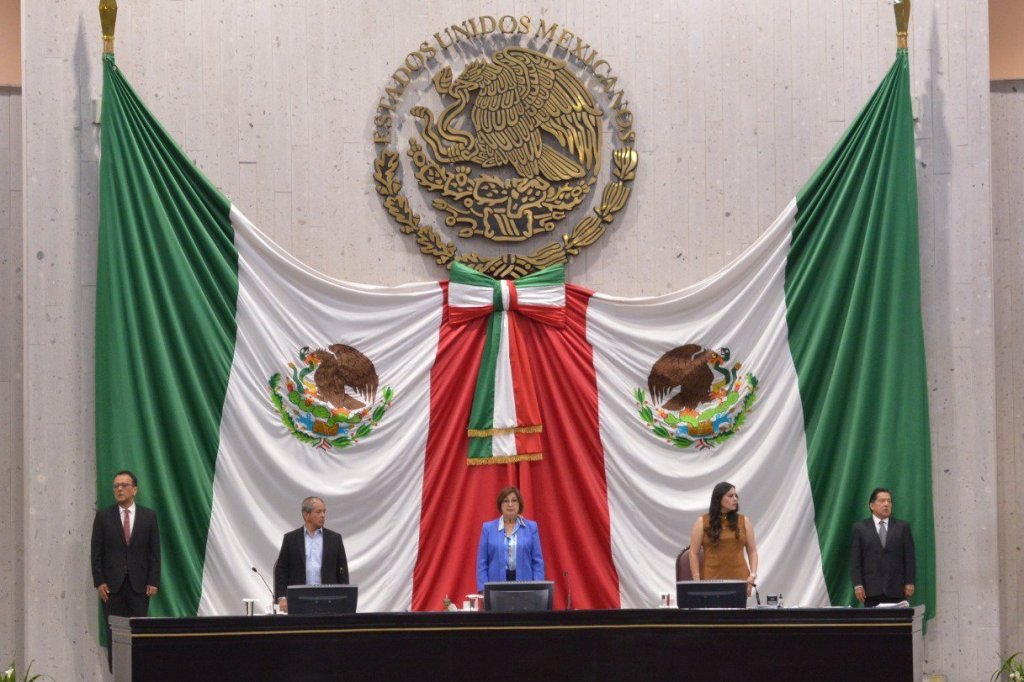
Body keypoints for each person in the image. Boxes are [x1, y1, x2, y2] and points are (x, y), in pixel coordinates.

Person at [90, 470, 161, 671]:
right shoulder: (103, 516)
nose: (119, 489)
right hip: (112, 588)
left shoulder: (148, 516)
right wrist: (99, 582)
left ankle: (140, 672)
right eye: (116, 486)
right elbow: (96, 552)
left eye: (124, 485)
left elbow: (154, 552)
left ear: (135, 489)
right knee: (115, 634)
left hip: (140, 587)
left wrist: (153, 580)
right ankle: (118, 674)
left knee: (139, 634)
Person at [274, 496, 349, 613]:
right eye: (318, 512)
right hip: (299, 600)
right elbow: (281, 570)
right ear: (306, 515)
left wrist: (344, 598)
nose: (323, 515)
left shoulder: (335, 539)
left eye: (324, 511)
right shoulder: (291, 539)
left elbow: (342, 573)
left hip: (328, 601)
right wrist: (282, 597)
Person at [688, 481, 759, 596]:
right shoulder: (702, 522)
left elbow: (752, 551)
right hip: (710, 580)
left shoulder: (744, 521)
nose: (735, 499)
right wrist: (697, 580)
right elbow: (693, 553)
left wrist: (753, 575)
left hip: (739, 580)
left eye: (736, 496)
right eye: (730, 496)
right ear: (718, 498)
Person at [850, 487, 916, 606]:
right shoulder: (860, 528)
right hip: (871, 590)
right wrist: (858, 585)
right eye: (882, 501)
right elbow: (856, 560)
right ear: (872, 505)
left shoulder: (902, 527)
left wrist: (910, 582)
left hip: (897, 589)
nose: (886, 504)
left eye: (889, 501)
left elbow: (909, 558)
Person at [476, 486, 545, 592]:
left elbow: (537, 562)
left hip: (526, 587)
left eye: (514, 500)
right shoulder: (488, 528)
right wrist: (483, 589)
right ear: (500, 505)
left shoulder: (531, 527)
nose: (510, 504)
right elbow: (482, 562)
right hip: (495, 588)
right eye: (505, 501)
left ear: (519, 504)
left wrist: (538, 588)